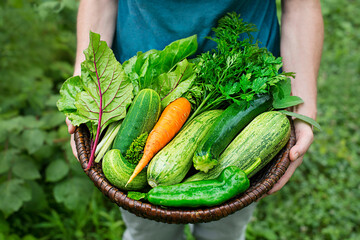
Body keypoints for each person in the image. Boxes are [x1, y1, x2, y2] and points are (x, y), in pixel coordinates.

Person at [66, 0, 323, 239]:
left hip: (244, 96)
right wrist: (87, 77)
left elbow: (301, 6)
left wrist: (304, 104)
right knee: (148, 234)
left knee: (224, 233)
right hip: (134, 85)